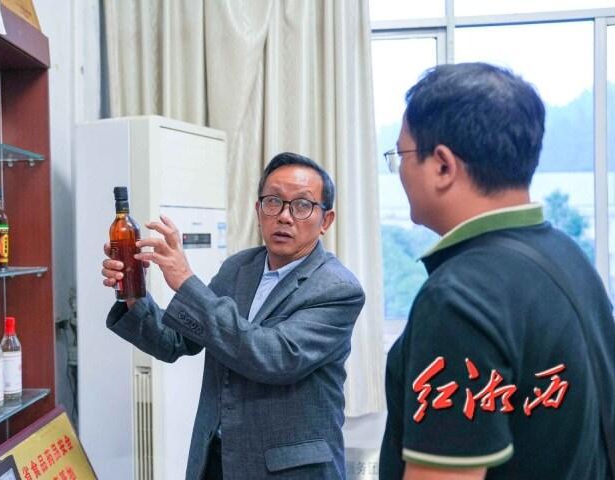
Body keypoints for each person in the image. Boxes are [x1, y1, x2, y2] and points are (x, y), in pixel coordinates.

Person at [379, 62, 615, 480]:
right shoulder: (569, 256)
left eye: (402, 156)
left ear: (442, 166)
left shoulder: (459, 297)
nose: (399, 171)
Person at [102, 152, 365, 479]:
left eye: (302, 205)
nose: (284, 216)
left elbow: (273, 356)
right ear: (258, 210)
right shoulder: (239, 268)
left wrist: (186, 282)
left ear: (326, 220)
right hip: (217, 458)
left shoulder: (337, 288)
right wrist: (133, 291)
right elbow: (175, 342)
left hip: (288, 471)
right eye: (273, 202)